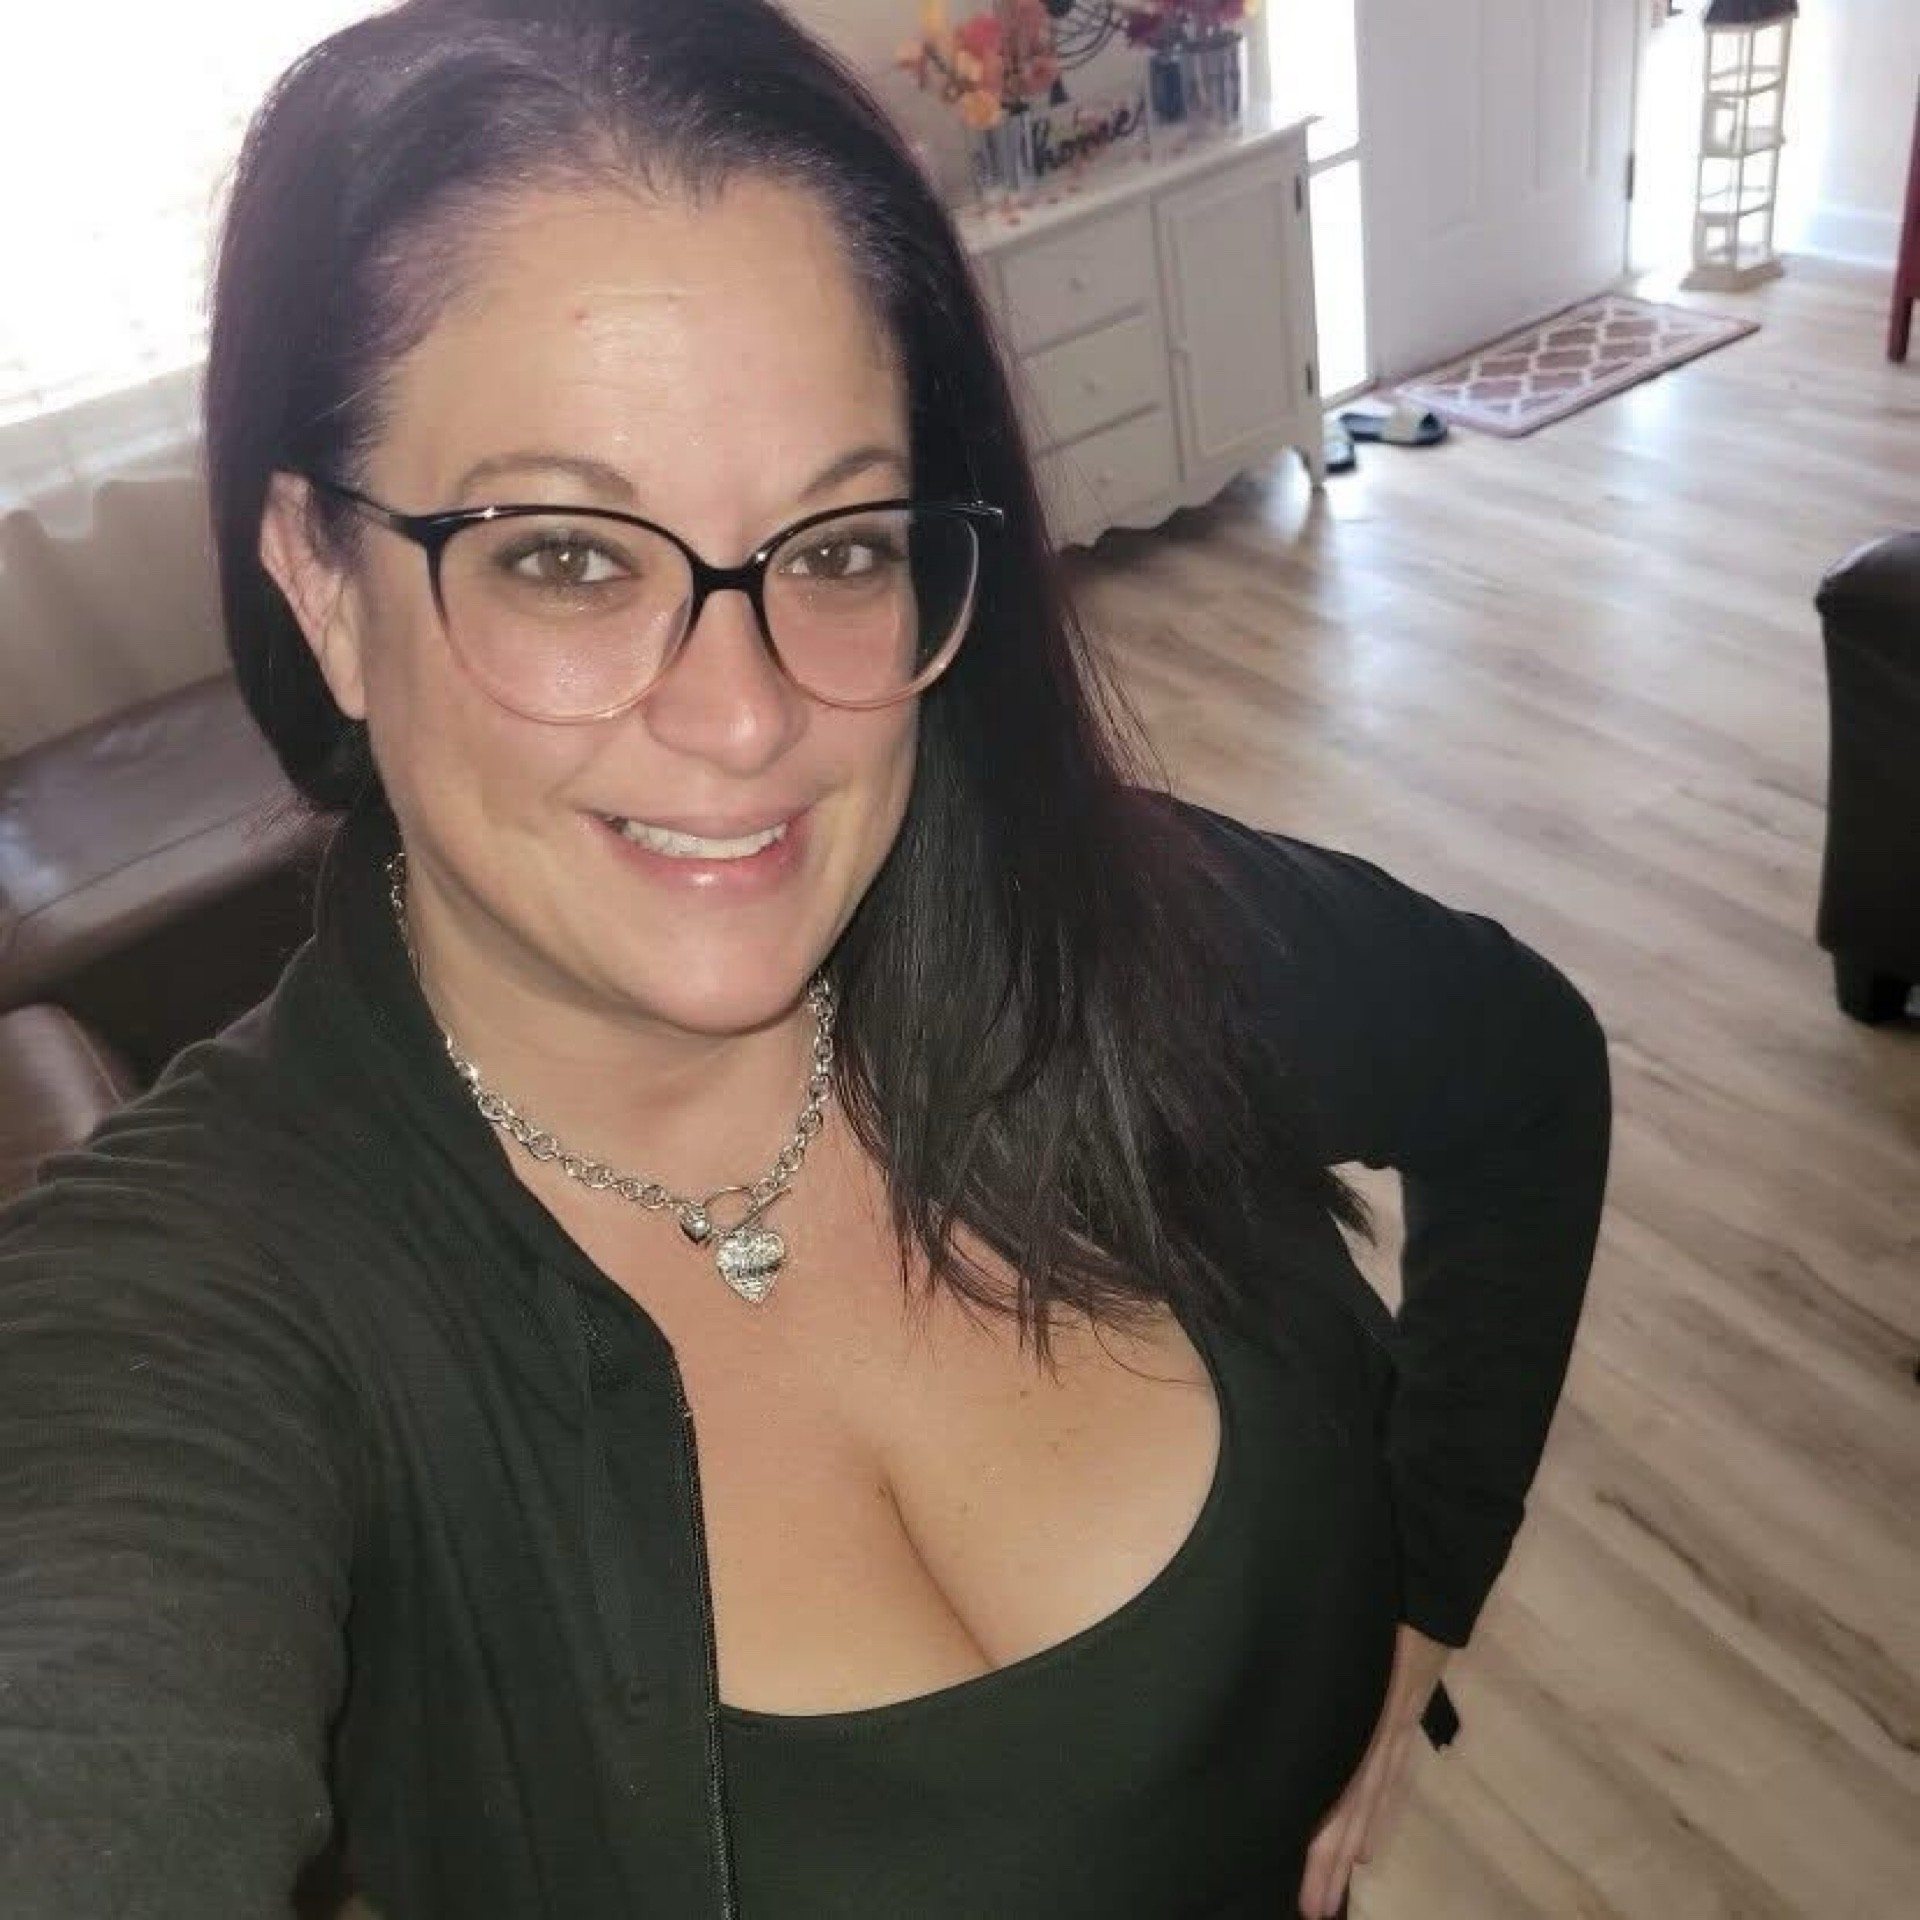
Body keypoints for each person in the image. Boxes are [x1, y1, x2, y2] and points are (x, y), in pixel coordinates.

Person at [0, 2, 1612, 1915]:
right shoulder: (198, 1305)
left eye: (839, 545)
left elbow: (1522, 1066)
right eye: (567, 556)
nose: (751, 717)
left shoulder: (1080, 922)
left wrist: (1429, 1584)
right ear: (324, 587)